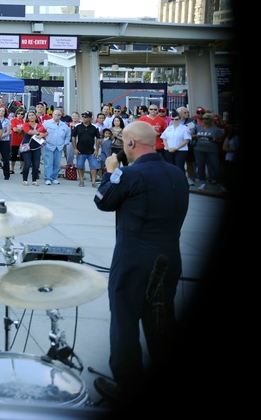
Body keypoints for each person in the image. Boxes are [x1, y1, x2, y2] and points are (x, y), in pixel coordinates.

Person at [93, 121, 188, 401]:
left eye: (124, 142)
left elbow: (102, 200)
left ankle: (127, 385)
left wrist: (111, 173)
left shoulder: (131, 175)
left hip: (134, 259)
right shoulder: (176, 174)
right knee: (161, 322)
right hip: (169, 258)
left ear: (131, 144)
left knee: (125, 322)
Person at [71, 111, 101, 187]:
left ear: (90, 118)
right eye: (83, 117)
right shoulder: (77, 126)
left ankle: (93, 182)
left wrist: (97, 150)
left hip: (91, 150)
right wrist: (75, 148)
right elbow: (73, 137)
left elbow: (98, 138)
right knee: (80, 166)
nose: (84, 118)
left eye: (86, 117)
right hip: (80, 150)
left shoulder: (94, 127)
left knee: (94, 167)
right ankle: (81, 180)